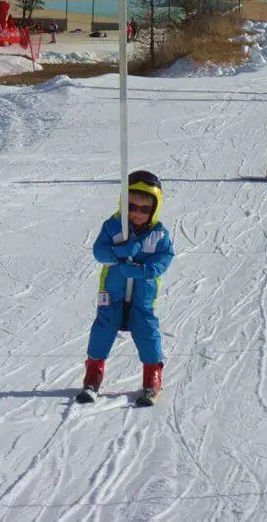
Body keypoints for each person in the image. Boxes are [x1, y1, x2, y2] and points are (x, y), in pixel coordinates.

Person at [78, 170, 176, 407]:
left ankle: (152, 377)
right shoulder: (114, 227)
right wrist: (118, 252)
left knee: (146, 329)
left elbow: (165, 256)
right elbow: (99, 252)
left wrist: (145, 270)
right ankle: (93, 374)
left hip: (143, 292)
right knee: (103, 327)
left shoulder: (159, 233)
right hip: (112, 290)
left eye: (144, 209)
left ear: (154, 209)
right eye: (132, 206)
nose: (137, 213)